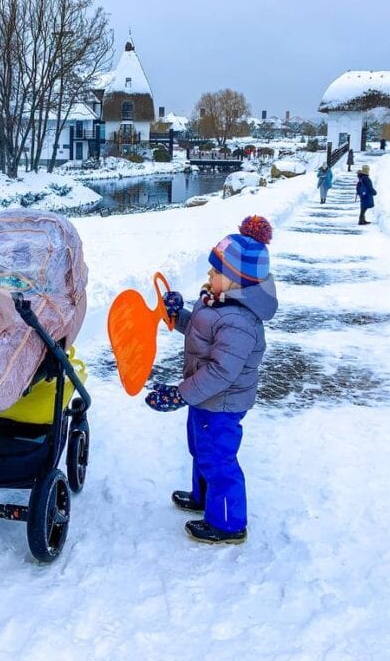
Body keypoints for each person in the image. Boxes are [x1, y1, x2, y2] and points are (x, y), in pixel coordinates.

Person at [144, 216, 278, 544]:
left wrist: (179, 395)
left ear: (236, 280)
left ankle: (229, 524)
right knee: (200, 447)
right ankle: (203, 497)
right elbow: (200, 332)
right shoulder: (220, 305)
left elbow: (220, 372)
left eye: (216, 271)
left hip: (221, 402)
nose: (209, 275)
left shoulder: (239, 321)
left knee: (218, 458)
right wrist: (178, 317)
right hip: (206, 398)